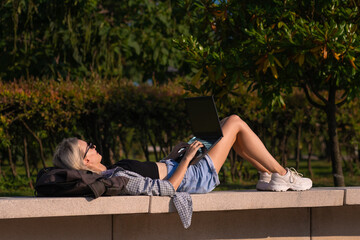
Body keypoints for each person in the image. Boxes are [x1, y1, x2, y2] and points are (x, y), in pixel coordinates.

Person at [53, 115, 312, 193]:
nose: (95, 148)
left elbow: (155, 174)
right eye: (91, 148)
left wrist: (174, 155)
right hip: (192, 176)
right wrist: (186, 159)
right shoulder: (116, 177)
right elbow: (166, 188)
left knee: (222, 127)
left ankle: (267, 175)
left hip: (182, 165)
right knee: (234, 123)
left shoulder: (113, 172)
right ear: (86, 160)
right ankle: (283, 174)